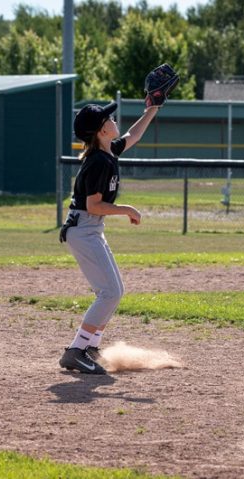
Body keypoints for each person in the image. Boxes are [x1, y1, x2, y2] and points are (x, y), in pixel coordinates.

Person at [57, 100, 160, 374]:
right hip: (84, 229)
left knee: (115, 291)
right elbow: (93, 205)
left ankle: (90, 346)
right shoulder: (99, 162)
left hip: (90, 228)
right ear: (102, 131)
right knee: (109, 292)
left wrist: (153, 108)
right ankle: (76, 351)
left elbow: (133, 136)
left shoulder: (108, 152)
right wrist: (126, 209)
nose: (114, 121)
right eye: (108, 119)